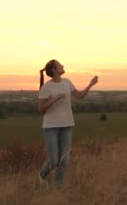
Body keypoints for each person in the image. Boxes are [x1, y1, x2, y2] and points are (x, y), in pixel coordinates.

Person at [37, 59, 98, 187]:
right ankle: (41, 177)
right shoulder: (46, 87)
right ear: (54, 70)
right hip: (51, 128)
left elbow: (80, 96)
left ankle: (58, 190)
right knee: (53, 161)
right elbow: (41, 110)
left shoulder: (67, 82)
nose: (63, 66)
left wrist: (91, 84)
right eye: (60, 65)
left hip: (67, 126)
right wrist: (54, 100)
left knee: (64, 161)